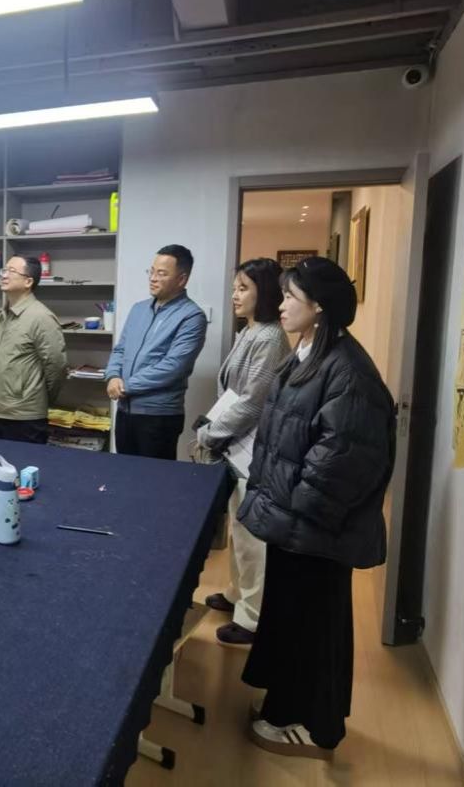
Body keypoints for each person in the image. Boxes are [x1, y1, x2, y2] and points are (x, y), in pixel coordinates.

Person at [238, 256, 395, 758]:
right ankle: (284, 706)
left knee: (316, 630)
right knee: (292, 621)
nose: (281, 304)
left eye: (291, 297)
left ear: (320, 307)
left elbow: (341, 462)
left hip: (315, 528)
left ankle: (313, 727)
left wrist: (297, 506)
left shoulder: (348, 371)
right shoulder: (309, 353)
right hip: (294, 522)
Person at [194, 258, 290, 646]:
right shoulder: (249, 331)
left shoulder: (269, 337)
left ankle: (252, 616)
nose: (234, 295)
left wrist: (210, 434)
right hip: (235, 446)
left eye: (244, 288)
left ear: (264, 293)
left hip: (252, 449)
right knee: (238, 527)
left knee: (252, 537)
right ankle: (236, 594)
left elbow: (252, 402)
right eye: (235, 287)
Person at [105, 245, 207, 459]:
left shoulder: (192, 316)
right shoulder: (139, 309)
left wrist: (126, 386)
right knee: (124, 472)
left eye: (161, 273)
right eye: (151, 271)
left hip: (158, 417)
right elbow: (121, 349)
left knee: (155, 477)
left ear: (182, 279)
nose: (153, 278)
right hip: (125, 411)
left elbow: (174, 367)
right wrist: (113, 376)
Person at [0, 255, 67, 443]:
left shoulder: (41, 317)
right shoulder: (0, 315)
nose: (4, 275)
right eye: (4, 270)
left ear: (28, 281)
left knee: (25, 462)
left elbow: (57, 366)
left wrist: (36, 398)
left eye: (11, 271)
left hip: (25, 416)